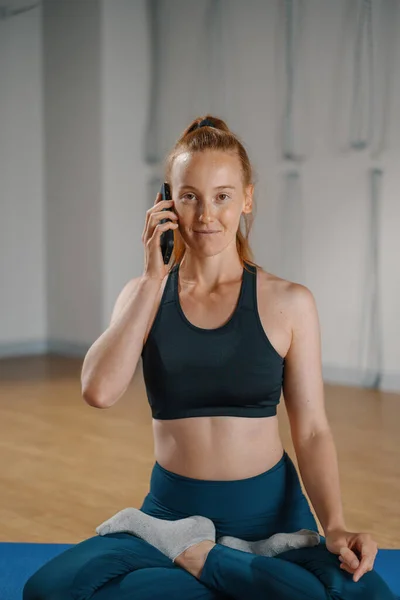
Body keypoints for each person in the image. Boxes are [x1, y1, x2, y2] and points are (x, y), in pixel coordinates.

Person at [23, 116, 396, 600]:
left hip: (273, 519)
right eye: (189, 196)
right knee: (48, 589)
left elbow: (311, 430)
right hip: (169, 519)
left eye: (222, 195)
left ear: (247, 199)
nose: (205, 214)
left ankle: (205, 561)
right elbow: (98, 391)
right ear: (166, 201)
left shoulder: (290, 302)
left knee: (370, 597)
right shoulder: (144, 295)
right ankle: (215, 565)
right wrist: (153, 280)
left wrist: (336, 525)